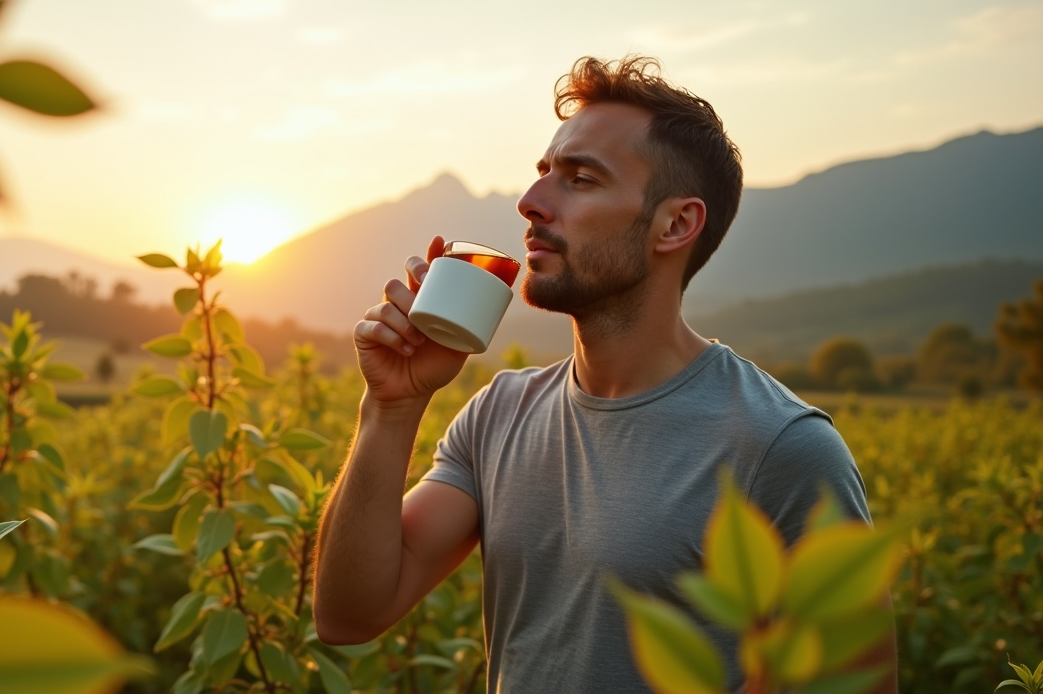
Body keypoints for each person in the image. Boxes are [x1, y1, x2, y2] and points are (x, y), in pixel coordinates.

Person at [311, 55, 894, 691]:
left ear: (676, 224)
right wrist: (391, 406)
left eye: (580, 179)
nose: (530, 203)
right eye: (543, 174)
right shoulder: (499, 413)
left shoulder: (782, 448)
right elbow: (348, 615)